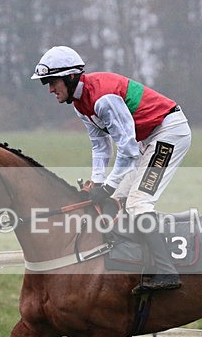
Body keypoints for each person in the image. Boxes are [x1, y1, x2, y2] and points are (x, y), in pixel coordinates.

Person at [31, 45, 191, 293]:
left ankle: (167, 271)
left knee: (138, 203)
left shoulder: (103, 99)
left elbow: (126, 149)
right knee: (117, 202)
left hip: (169, 133)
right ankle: (139, 263)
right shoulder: (79, 102)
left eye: (52, 82)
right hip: (146, 139)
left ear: (71, 77)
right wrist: (97, 183)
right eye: (47, 84)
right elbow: (100, 145)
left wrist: (107, 186)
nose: (50, 89)